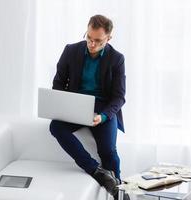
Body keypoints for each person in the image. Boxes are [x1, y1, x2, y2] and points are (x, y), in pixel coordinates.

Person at [49, 14, 127, 199]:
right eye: (89, 38)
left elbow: (119, 97)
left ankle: (119, 193)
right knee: (56, 127)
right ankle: (95, 170)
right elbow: (58, 83)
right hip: (76, 103)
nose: (91, 44)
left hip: (103, 108)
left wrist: (104, 116)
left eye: (98, 41)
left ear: (109, 37)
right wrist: (64, 105)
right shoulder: (71, 50)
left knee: (108, 150)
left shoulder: (117, 59)